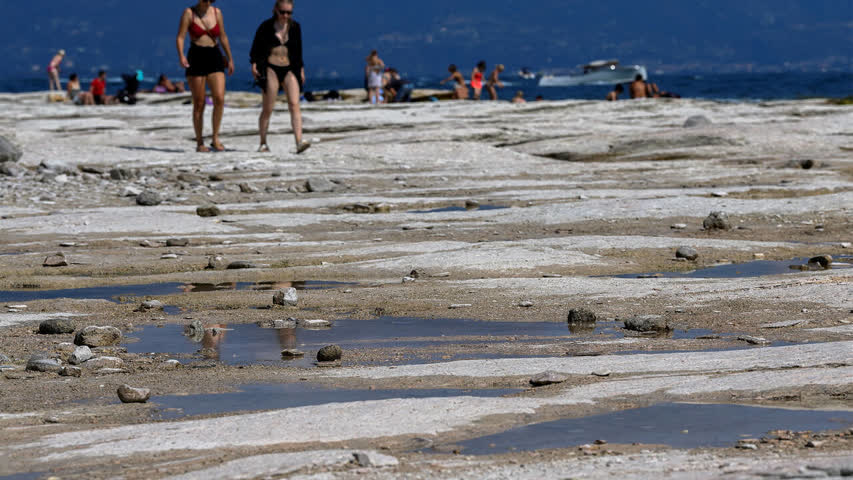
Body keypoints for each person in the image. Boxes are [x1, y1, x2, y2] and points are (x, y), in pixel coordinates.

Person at [250, 0, 310, 154]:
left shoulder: (295, 27)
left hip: (290, 68)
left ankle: (299, 141)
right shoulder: (266, 27)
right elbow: (256, 47)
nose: (285, 15)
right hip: (271, 68)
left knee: (294, 104)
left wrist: (301, 69)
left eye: (289, 13)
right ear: (275, 10)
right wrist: (254, 64)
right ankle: (263, 143)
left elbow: (298, 50)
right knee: (268, 108)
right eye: (282, 12)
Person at [176, 0, 235, 152]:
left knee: (219, 98)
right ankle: (200, 141)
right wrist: (181, 56)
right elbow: (181, 37)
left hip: (214, 55)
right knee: (199, 102)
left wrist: (230, 58)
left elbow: (223, 36)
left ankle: (215, 137)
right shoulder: (189, 13)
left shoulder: (217, 12)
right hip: (196, 56)